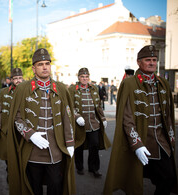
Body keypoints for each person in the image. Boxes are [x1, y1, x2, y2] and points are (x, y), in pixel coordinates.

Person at [104, 45, 177, 195]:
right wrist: (136, 144)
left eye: (154, 60)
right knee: (133, 183)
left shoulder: (162, 83)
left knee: (168, 178)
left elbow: (168, 116)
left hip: (161, 143)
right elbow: (126, 116)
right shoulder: (129, 83)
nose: (152, 63)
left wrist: (171, 138)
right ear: (139, 62)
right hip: (141, 142)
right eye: (147, 60)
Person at [7, 48, 76, 195]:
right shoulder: (23, 89)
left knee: (56, 185)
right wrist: (30, 134)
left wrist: (69, 143)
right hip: (32, 150)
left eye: (47, 63)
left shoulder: (61, 88)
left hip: (56, 149)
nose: (45, 67)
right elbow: (16, 117)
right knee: (33, 187)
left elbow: (67, 117)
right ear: (34, 68)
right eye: (40, 64)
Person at [68, 68, 111, 178]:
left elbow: (98, 105)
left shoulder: (93, 88)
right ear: (79, 78)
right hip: (80, 124)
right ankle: (80, 167)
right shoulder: (73, 89)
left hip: (93, 123)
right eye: (82, 77)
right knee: (79, 146)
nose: (84, 79)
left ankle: (94, 168)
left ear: (89, 77)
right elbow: (69, 106)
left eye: (86, 77)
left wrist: (103, 118)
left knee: (95, 146)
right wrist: (76, 117)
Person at [0, 67, 24, 183]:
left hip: (24, 131)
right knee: (9, 156)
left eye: (20, 78)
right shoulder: (5, 92)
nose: (18, 80)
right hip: (8, 130)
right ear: (11, 80)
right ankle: (11, 175)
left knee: (23, 156)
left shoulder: (28, 91)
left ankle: (22, 177)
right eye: (15, 78)